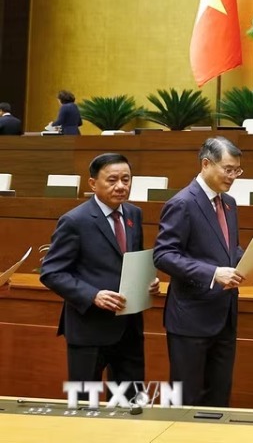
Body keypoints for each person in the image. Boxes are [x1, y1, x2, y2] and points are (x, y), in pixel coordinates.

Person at [40, 153, 159, 396]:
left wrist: (148, 281)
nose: (121, 186)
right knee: (86, 405)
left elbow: (132, 260)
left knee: (132, 402)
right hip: (89, 328)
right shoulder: (75, 220)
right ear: (93, 184)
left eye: (126, 180)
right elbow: (51, 272)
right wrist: (93, 295)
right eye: (112, 180)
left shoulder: (134, 214)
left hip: (129, 326)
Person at [153, 136, 252, 407]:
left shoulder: (228, 203)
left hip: (224, 315)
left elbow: (228, 248)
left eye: (237, 171)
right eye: (228, 169)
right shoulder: (182, 203)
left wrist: (251, 263)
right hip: (191, 319)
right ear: (206, 164)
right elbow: (163, 255)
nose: (233, 176)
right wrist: (212, 273)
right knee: (188, 399)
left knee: (219, 396)